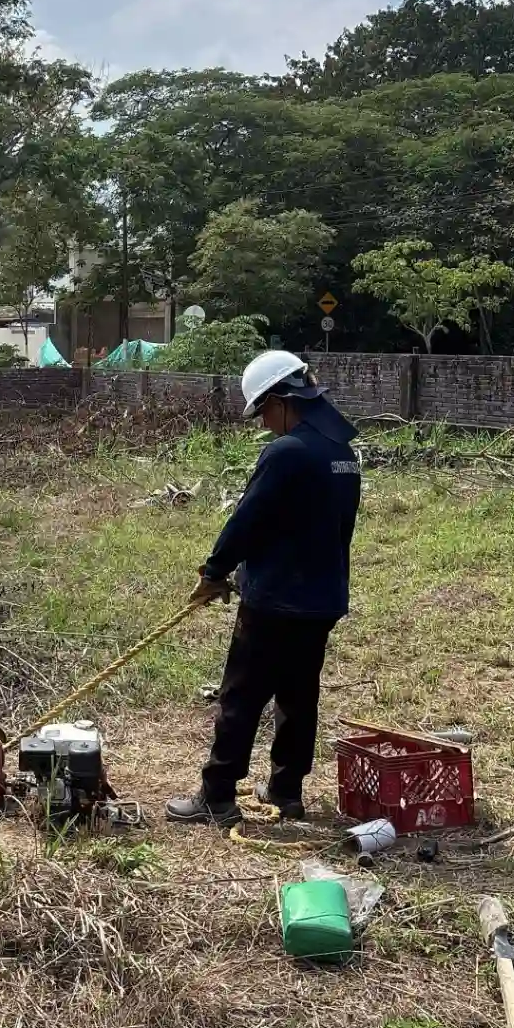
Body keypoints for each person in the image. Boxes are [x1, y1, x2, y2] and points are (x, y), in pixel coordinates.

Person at [166, 351, 362, 830]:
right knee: (299, 695)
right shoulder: (342, 454)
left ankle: (217, 794)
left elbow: (247, 520)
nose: (265, 422)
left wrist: (214, 571)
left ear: (280, 400)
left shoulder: (286, 453)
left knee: (241, 695)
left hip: (274, 599)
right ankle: (286, 791)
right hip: (321, 598)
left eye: (263, 411)